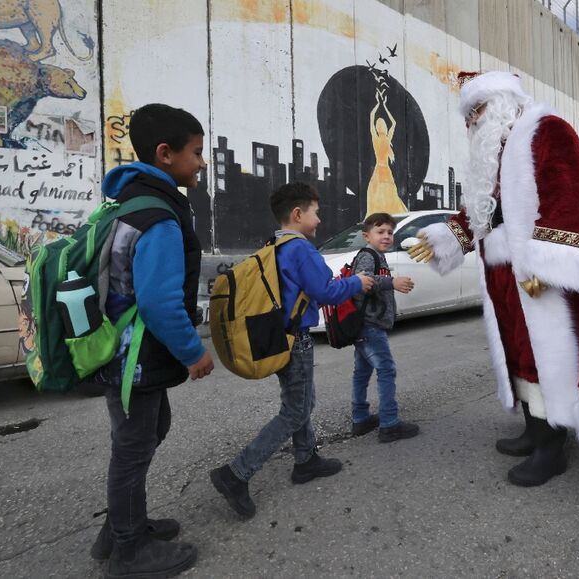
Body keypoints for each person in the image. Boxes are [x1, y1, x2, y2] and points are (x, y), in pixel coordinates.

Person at [408, 71, 579, 487]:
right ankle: (533, 428)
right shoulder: (494, 154)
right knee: (519, 353)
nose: (471, 121)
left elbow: (572, 194)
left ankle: (552, 446)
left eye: (478, 110)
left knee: (548, 353)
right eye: (468, 115)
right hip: (503, 275)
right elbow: (483, 212)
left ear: (503, 101)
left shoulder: (547, 130)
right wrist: (446, 238)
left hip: (536, 272)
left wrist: (544, 268)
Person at [90, 103, 214, 578]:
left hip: (123, 353)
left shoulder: (130, 200)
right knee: (134, 446)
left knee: (148, 432)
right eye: (196, 152)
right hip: (133, 357)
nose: (201, 162)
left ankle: (128, 524)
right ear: (165, 154)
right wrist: (194, 353)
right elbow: (160, 301)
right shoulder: (158, 215)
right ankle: (127, 550)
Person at [209, 182, 374, 518]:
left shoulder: (276, 245)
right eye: (316, 213)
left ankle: (306, 459)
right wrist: (359, 282)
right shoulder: (301, 249)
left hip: (277, 335)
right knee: (297, 408)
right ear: (298, 214)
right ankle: (237, 473)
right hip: (295, 340)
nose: (319, 221)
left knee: (298, 401)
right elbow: (325, 291)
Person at [350, 212, 420, 442]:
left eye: (390, 232)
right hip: (370, 325)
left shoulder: (377, 255)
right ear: (366, 235)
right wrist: (393, 282)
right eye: (380, 232)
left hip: (364, 325)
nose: (387, 236)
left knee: (362, 371)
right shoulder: (368, 256)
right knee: (386, 369)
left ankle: (360, 419)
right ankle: (389, 424)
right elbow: (364, 282)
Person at [367, 89, 408, 215]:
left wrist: (378, 104)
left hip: (379, 171)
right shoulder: (387, 139)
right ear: (384, 126)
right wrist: (384, 105)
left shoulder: (376, 139)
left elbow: (371, 117)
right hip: (386, 171)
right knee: (390, 199)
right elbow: (394, 123)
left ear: (378, 127)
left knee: (377, 199)